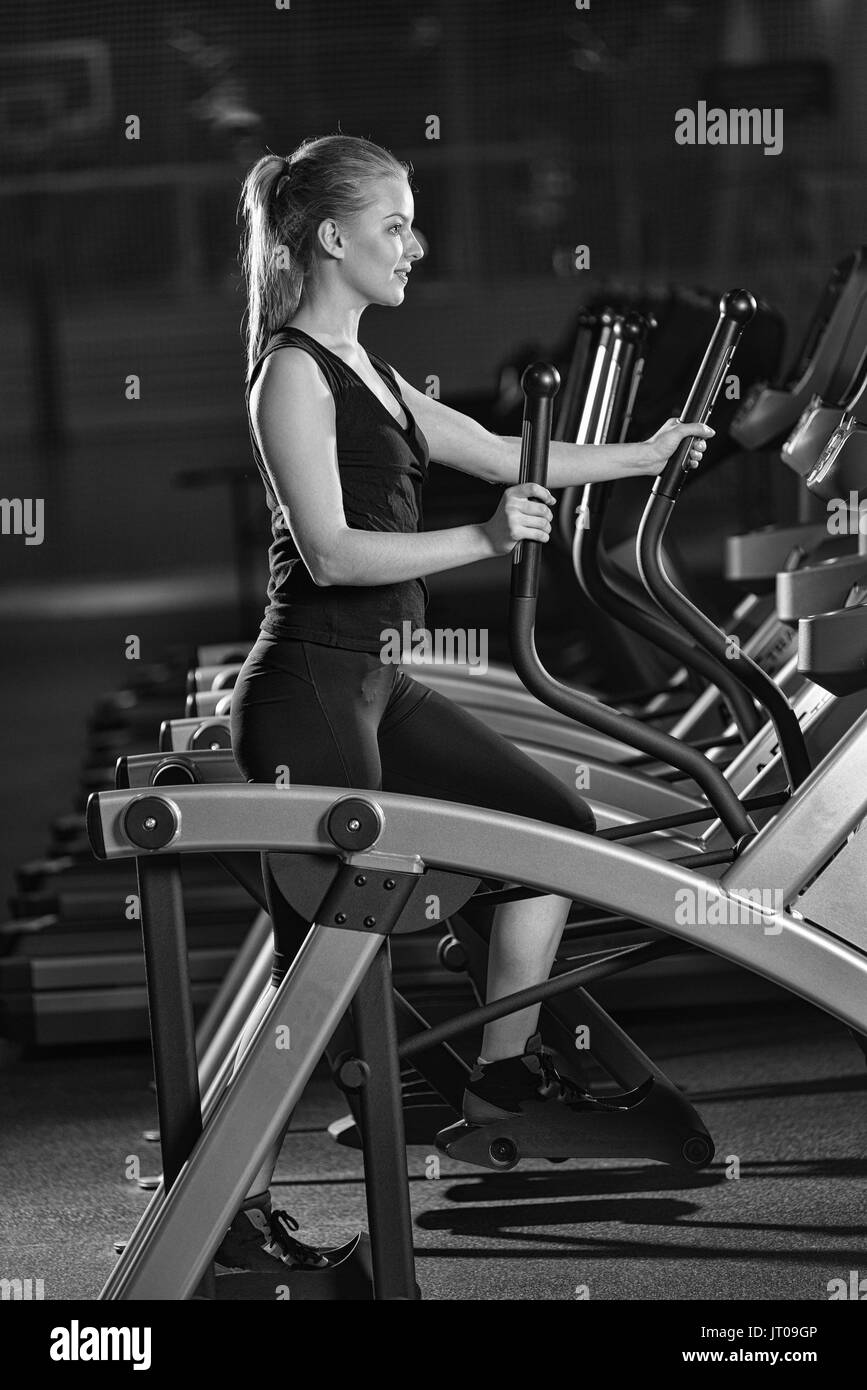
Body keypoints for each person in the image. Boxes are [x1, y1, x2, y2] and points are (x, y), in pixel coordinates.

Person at [218, 133, 712, 1273]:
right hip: (307, 692)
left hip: (378, 685)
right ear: (332, 237)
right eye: (394, 224)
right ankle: (233, 1217)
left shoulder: (374, 372)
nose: (414, 244)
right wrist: (487, 543)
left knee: (557, 835)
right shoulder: (291, 371)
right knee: (324, 974)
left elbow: (496, 450)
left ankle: (500, 1077)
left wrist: (645, 453)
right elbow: (334, 555)